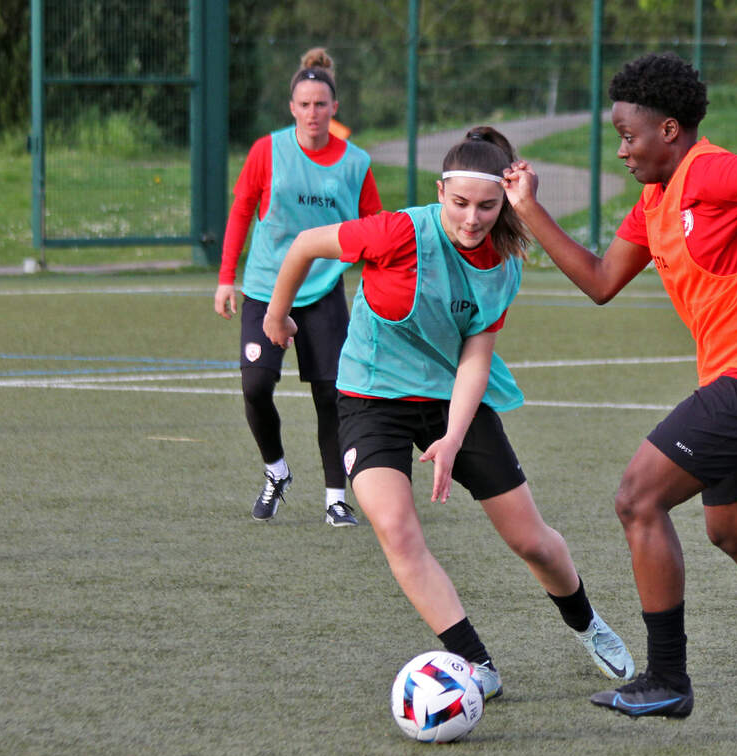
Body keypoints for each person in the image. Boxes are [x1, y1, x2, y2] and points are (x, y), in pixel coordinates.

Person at [503, 52, 737, 720]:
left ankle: (667, 678)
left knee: (636, 498)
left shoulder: (710, 170)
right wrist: (527, 209)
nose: (622, 150)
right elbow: (599, 281)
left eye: (630, 135)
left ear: (671, 130)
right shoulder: (655, 201)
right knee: (734, 532)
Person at [261, 126, 635, 699]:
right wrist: (276, 316)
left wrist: (454, 438)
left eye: (487, 206)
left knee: (531, 539)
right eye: (459, 203)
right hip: (370, 398)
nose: (472, 218)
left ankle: (587, 624)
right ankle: (476, 665)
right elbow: (307, 243)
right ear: (440, 193)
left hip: (448, 400)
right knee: (396, 530)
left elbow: (474, 362)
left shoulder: (503, 263)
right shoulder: (399, 231)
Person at [214, 48, 382, 525]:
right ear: (292, 108)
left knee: (331, 395)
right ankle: (276, 471)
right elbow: (242, 211)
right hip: (267, 288)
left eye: (321, 104)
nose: (313, 113)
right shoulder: (267, 151)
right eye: (304, 104)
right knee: (256, 386)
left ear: (335, 107)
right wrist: (227, 279)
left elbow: (374, 228)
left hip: (324, 292)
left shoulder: (355, 162)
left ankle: (335, 499)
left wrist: (380, 288)